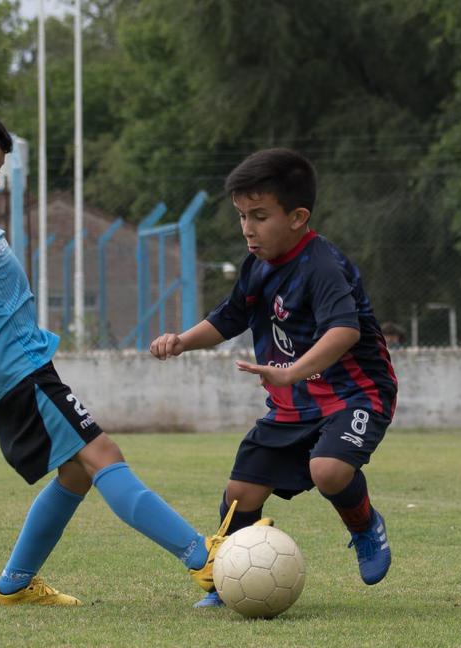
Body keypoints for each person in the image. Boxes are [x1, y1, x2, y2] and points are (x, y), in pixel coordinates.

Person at [0, 100, 247, 607]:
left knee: (75, 473)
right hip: (17, 371)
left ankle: (14, 586)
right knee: (103, 455)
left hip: (27, 363)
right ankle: (204, 559)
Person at [150, 147, 398, 607]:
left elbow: (345, 330)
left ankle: (365, 525)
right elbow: (229, 319)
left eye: (260, 216)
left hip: (354, 395)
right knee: (240, 494)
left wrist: (291, 372)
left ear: (298, 216)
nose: (247, 228)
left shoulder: (323, 265)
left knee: (327, 470)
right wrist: (182, 340)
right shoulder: (257, 267)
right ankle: (230, 578)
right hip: (293, 404)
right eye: (242, 215)